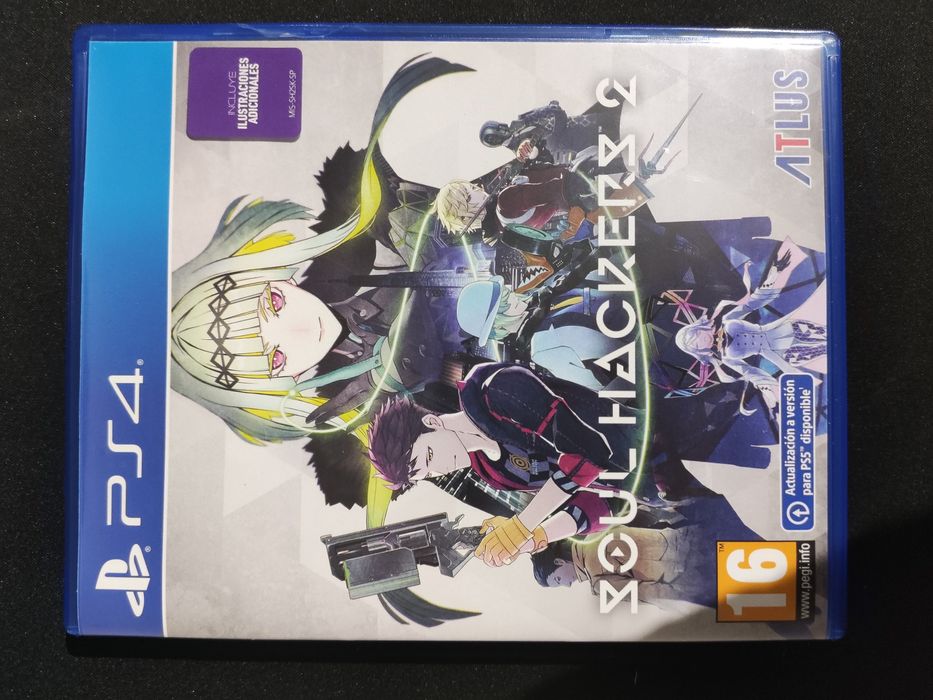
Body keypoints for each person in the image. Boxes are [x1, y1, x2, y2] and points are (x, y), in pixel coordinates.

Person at [366, 362, 641, 567]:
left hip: (650, 439)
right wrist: (535, 537)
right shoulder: (495, 474)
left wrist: (523, 524)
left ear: (432, 423)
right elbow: (604, 503)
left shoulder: (493, 390)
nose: (442, 469)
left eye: (429, 456)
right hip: (649, 489)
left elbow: (591, 453)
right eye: (431, 473)